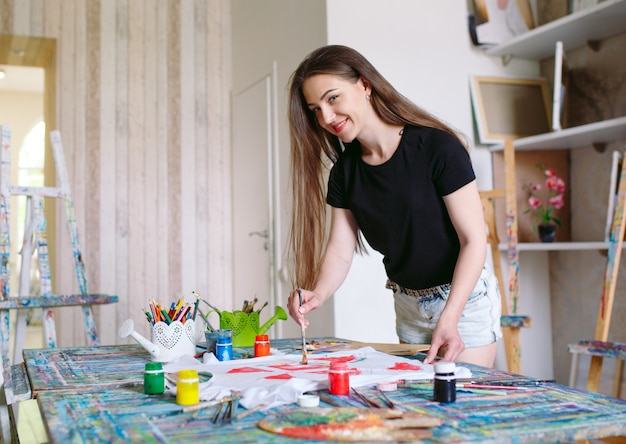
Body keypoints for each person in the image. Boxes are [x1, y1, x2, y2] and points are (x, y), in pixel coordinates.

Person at [286, 45, 502, 367]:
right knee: (420, 411)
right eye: (316, 109)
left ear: (365, 85)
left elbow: (474, 240)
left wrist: (451, 316)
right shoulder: (345, 174)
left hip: (464, 301)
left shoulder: (436, 147)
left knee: (463, 407)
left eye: (333, 98)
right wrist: (318, 293)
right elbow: (340, 251)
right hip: (408, 305)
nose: (327, 117)